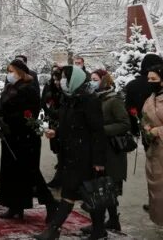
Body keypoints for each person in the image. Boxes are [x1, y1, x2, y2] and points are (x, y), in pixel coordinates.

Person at [34, 65, 106, 240]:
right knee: (84, 192)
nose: (62, 81)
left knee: (76, 192)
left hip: (85, 155)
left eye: (66, 77)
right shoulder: (70, 98)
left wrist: (98, 160)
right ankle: (98, 229)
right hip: (70, 154)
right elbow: (68, 125)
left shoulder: (89, 100)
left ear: (75, 79)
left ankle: (54, 229)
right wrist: (56, 133)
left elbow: (97, 131)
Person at [0, 59, 57, 222]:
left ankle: (51, 204)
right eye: (8, 71)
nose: (9, 74)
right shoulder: (11, 87)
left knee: (30, 173)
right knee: (12, 173)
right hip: (11, 136)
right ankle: (15, 206)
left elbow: (29, 112)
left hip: (24, 137)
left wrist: (9, 120)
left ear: (20, 72)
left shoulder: (29, 88)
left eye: (11, 71)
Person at [78, 70, 129, 234]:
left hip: (111, 151)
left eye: (95, 79)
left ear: (103, 81)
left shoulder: (113, 100)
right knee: (104, 187)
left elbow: (124, 123)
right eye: (91, 79)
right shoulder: (94, 98)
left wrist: (101, 130)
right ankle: (112, 220)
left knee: (109, 186)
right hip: (98, 148)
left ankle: (109, 221)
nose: (92, 82)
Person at [125, 53, 163, 146]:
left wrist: (135, 129)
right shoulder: (157, 85)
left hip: (146, 130)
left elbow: (130, 108)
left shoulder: (133, 85)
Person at [141, 64, 163, 226]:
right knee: (158, 193)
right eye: (148, 78)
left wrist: (158, 131)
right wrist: (147, 129)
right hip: (155, 151)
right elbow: (145, 120)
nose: (150, 82)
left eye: (154, 79)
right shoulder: (151, 97)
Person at [41, 65, 63, 188]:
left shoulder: (66, 92)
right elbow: (44, 101)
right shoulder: (50, 87)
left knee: (62, 151)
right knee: (57, 149)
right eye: (54, 79)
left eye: (58, 79)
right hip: (53, 121)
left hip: (62, 124)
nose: (56, 82)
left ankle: (59, 177)